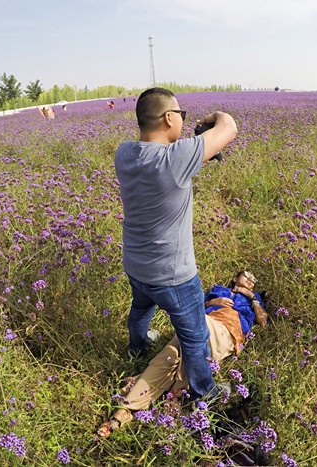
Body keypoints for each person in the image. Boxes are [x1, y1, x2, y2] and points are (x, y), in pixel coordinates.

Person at [113, 87, 238, 403]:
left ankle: (137, 347)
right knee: (194, 335)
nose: (183, 121)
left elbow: (162, 160)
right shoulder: (176, 159)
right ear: (169, 118)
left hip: (136, 264)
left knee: (141, 309)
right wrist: (212, 118)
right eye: (181, 115)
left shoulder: (124, 153)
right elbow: (229, 127)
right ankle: (204, 391)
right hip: (173, 274)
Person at [96, 270, 268, 439]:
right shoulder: (218, 290)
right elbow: (195, 307)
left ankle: (130, 404)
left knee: (184, 336)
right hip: (204, 323)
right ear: (235, 278)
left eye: (254, 280)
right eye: (247, 275)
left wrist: (251, 297)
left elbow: (262, 321)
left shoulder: (254, 300)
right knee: (171, 353)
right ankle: (134, 408)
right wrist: (213, 302)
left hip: (225, 334)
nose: (251, 280)